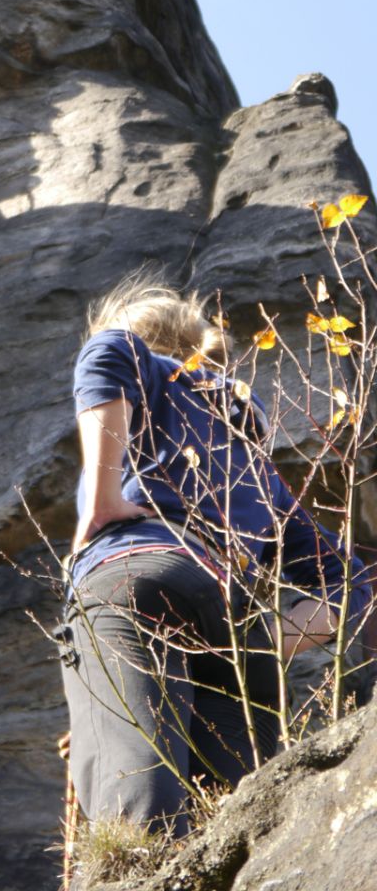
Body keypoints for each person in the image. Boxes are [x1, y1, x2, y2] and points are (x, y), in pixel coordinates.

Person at [60, 279, 371, 838]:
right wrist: (267, 639)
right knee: (231, 821)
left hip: (137, 571)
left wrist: (104, 499)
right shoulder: (256, 468)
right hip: (229, 612)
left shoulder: (146, 371)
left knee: (137, 795)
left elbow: (108, 350)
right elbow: (353, 587)